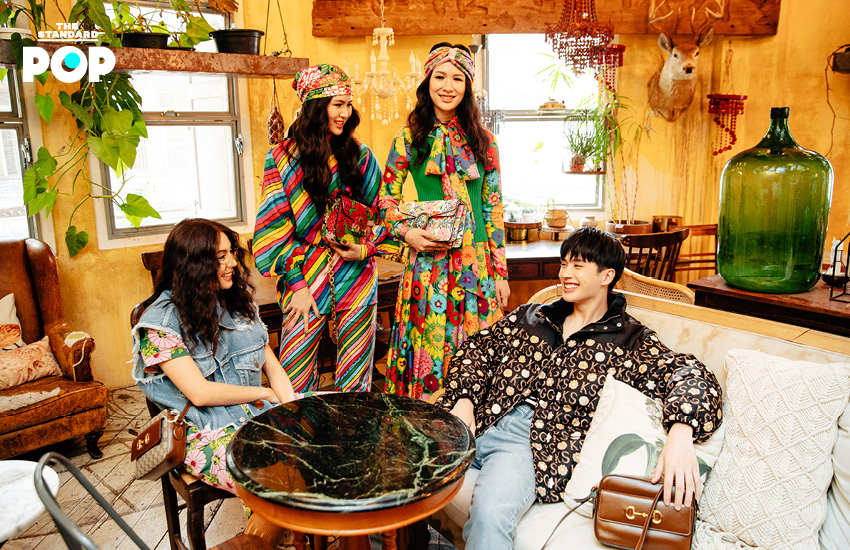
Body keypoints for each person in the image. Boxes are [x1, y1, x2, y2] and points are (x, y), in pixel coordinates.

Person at [437, 227, 723, 550]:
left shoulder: (629, 341)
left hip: (528, 443)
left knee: (490, 515)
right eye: (564, 264)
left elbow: (690, 373)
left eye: (578, 266)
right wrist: (464, 400)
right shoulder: (533, 316)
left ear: (607, 276)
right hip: (477, 419)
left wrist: (681, 431)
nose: (565, 274)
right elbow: (478, 348)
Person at [132, 218, 295, 544]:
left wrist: (292, 411)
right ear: (193, 264)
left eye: (231, 253)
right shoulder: (158, 325)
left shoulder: (237, 304)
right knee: (282, 480)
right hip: (204, 431)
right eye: (221, 257)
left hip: (257, 418)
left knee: (327, 448)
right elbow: (200, 393)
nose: (233, 262)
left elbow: (273, 367)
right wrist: (265, 394)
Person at [379, 42, 510, 401]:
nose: (448, 86)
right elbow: (385, 201)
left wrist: (500, 273)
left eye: (457, 78)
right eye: (440, 77)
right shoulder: (408, 138)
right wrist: (407, 233)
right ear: (427, 82)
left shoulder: (486, 142)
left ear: (468, 86)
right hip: (428, 264)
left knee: (477, 349)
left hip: (477, 264)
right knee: (430, 349)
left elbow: (493, 209)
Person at [253, 63, 392, 393]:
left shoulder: (360, 156)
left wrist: (366, 248)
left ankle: (350, 427)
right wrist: (298, 285)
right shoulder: (282, 158)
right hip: (305, 278)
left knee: (356, 377)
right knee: (294, 376)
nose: (345, 113)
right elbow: (274, 227)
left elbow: (385, 215)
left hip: (357, 275)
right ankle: (302, 428)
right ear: (316, 107)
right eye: (337, 104)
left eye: (349, 104)